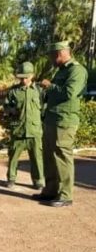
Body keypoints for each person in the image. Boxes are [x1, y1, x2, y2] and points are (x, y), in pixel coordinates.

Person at [34, 41, 87, 207]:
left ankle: (65, 195)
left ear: (60, 53)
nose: (51, 59)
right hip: (51, 119)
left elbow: (70, 93)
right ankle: (50, 191)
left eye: (52, 55)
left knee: (63, 157)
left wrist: (50, 86)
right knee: (49, 156)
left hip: (64, 121)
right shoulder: (62, 71)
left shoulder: (77, 70)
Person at [1, 61, 44, 189]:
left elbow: (44, 109)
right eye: (21, 77)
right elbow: (6, 106)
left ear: (32, 76)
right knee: (13, 156)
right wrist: (11, 110)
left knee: (37, 158)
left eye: (26, 77)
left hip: (34, 130)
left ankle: (38, 181)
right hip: (18, 130)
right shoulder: (13, 91)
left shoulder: (39, 91)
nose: (24, 80)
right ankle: (11, 178)